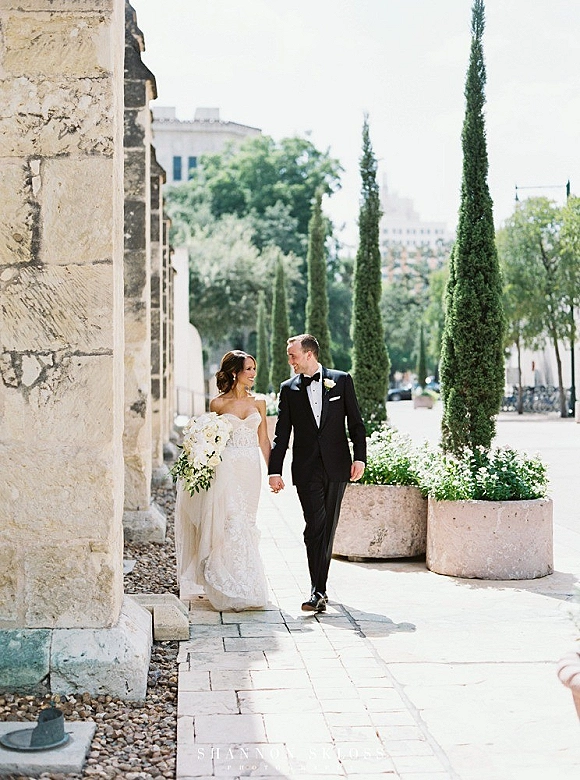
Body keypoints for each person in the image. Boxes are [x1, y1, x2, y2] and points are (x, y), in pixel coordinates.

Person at [268, 334, 366, 612]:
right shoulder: (288, 389)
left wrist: (360, 458)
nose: (290, 361)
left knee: (328, 526)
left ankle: (318, 590)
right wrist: (274, 470)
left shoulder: (342, 380)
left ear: (309, 354)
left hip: (337, 466)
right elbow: (282, 434)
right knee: (314, 526)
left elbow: (356, 424)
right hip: (306, 468)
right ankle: (318, 590)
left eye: (293, 355)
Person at [175, 350, 270, 611]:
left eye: (254, 368)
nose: (253, 373)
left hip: (250, 470)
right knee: (228, 522)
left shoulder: (259, 402)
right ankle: (227, 584)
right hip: (226, 470)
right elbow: (212, 439)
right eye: (248, 369)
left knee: (247, 522)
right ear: (234, 373)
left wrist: (273, 472)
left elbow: (264, 440)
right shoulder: (217, 404)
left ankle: (247, 582)